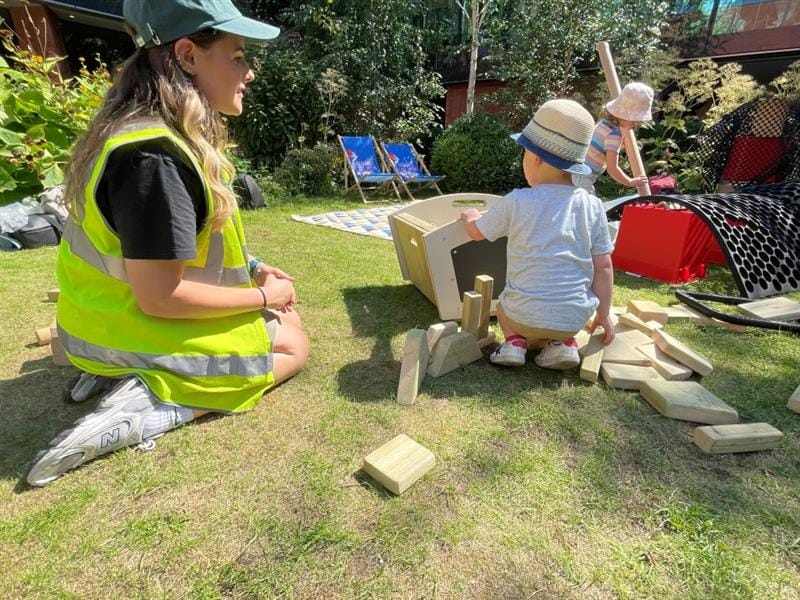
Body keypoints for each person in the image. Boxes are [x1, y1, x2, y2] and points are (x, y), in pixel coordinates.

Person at [26, 0, 309, 487]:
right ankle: (150, 409)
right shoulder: (155, 158)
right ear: (187, 54)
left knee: (285, 318)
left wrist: (257, 267)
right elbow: (160, 296)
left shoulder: (147, 138)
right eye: (238, 56)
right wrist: (267, 297)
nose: (250, 73)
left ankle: (130, 372)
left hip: (94, 318)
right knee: (293, 344)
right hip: (123, 326)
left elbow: (177, 246)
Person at [460, 99, 615, 369]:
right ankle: (563, 344)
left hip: (521, 314)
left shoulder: (518, 200)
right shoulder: (592, 205)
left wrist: (470, 215)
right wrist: (603, 315)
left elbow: (476, 232)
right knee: (566, 308)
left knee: (505, 305)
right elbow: (603, 266)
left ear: (536, 158)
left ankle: (514, 344)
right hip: (573, 317)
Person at [572, 82, 654, 195]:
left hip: (574, 170)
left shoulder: (603, 124)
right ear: (623, 115)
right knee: (588, 207)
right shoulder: (614, 135)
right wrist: (630, 182)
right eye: (634, 118)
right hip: (583, 177)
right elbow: (612, 168)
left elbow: (601, 146)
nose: (636, 123)